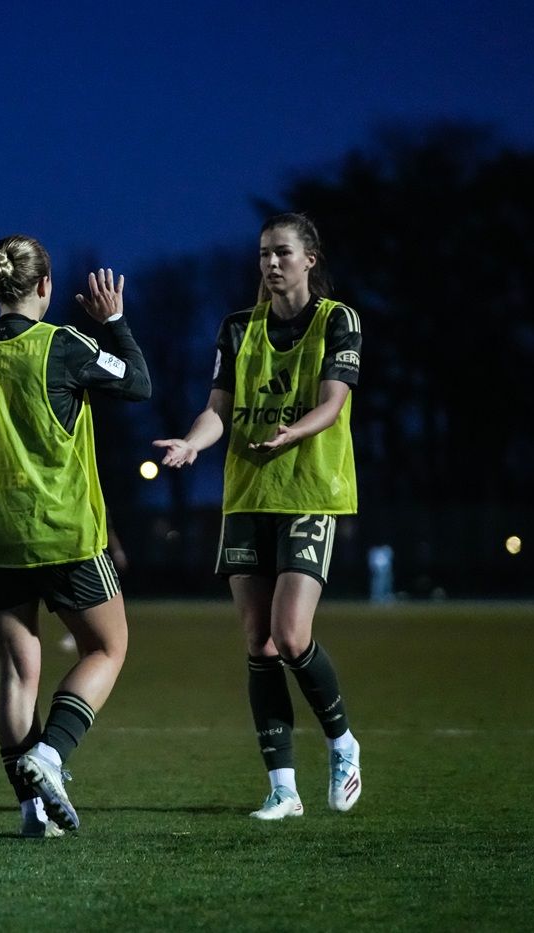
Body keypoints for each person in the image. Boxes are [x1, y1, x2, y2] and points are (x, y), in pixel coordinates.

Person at [154, 212, 363, 818]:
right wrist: (194, 443)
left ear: (310, 259)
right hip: (246, 497)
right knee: (259, 642)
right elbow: (218, 409)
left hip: (309, 493)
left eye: (283, 253)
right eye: (264, 254)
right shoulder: (237, 328)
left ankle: (343, 743)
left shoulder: (337, 320)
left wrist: (290, 433)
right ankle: (282, 788)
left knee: (292, 634)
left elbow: (332, 404)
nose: (271, 264)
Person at [0, 234, 151, 838]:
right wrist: (112, 320)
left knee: (17, 673)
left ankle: (33, 813)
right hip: (55, 529)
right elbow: (137, 383)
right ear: (45, 287)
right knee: (107, 648)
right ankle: (52, 756)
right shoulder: (61, 345)